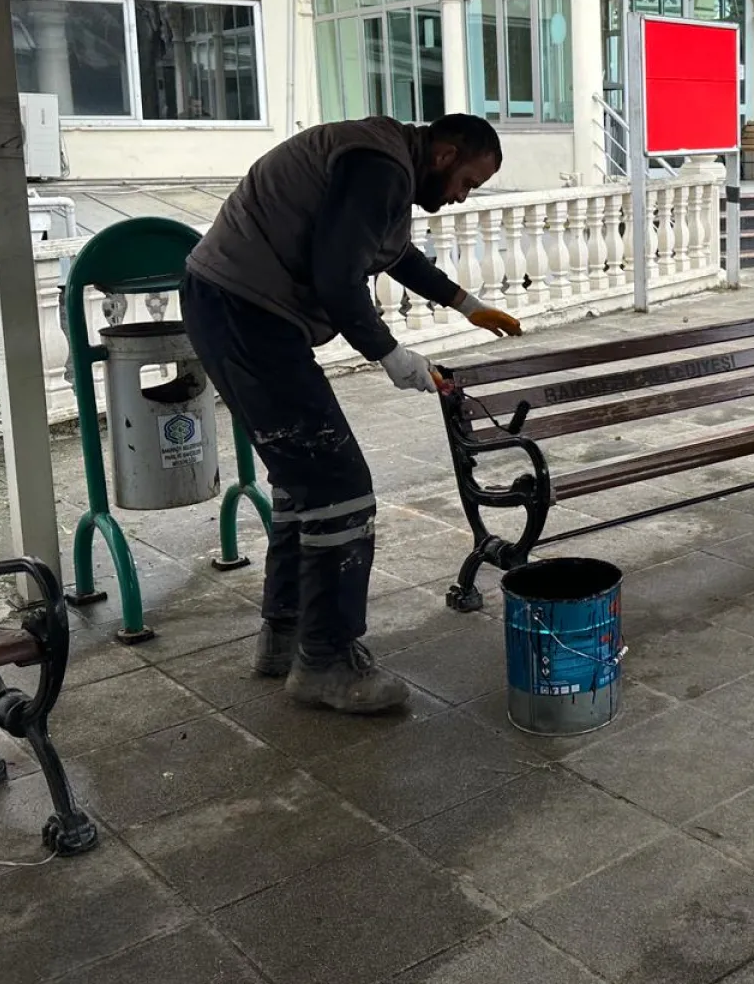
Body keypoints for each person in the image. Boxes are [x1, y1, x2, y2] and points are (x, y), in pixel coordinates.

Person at [182, 113, 520, 713]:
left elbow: (392, 251)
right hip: (248, 314)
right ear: (443, 154)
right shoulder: (380, 165)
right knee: (341, 488)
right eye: (467, 181)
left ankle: (285, 638)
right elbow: (338, 277)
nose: (461, 197)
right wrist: (395, 357)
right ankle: (327, 662)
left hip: (229, 305)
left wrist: (467, 304)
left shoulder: (384, 155)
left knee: (302, 484)